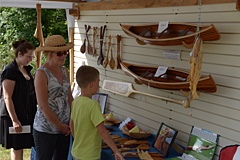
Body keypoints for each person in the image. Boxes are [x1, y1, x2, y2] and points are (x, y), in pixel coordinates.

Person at [32, 35, 74, 160]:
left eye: (65, 52)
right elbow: (43, 106)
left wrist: (72, 120)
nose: (63, 56)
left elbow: (70, 98)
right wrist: (60, 126)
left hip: (65, 129)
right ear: (49, 54)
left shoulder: (65, 71)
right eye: (59, 53)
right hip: (46, 130)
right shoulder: (41, 73)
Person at [70, 66, 125, 160]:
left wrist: (79, 140)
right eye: (98, 82)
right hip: (89, 156)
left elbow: (71, 124)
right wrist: (116, 151)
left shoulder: (75, 102)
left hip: (76, 152)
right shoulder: (93, 105)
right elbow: (103, 131)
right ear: (92, 84)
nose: (99, 85)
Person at [0, 39, 37, 160]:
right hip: (14, 116)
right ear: (19, 54)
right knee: (17, 147)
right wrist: (15, 120)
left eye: (32, 57)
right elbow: (7, 97)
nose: (31, 59)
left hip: (26, 114)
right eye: (29, 56)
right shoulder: (10, 72)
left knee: (24, 145)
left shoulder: (27, 69)